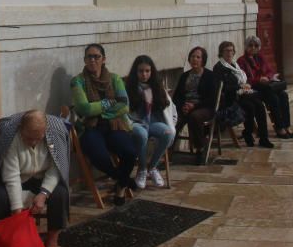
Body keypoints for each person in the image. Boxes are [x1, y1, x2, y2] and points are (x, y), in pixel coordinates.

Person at [0, 110, 69, 247]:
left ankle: (52, 242)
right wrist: (17, 212)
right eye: (28, 138)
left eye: (38, 138)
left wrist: (44, 193)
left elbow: (56, 168)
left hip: (41, 178)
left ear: (44, 131)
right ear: (21, 129)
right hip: (17, 177)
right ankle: (7, 241)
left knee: (60, 192)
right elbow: (11, 176)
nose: (33, 143)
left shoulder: (53, 135)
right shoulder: (11, 137)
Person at [70, 44, 136, 204]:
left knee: (130, 151)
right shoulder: (77, 81)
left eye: (96, 56)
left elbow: (124, 105)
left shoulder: (115, 79)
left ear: (104, 59)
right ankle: (122, 178)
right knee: (98, 155)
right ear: (85, 60)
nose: (92, 60)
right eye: (89, 57)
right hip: (90, 127)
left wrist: (100, 110)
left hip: (113, 125)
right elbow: (84, 108)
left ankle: (120, 187)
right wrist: (109, 103)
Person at [124, 55, 175, 188]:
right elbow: (126, 110)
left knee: (168, 133)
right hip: (136, 121)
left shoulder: (157, 86)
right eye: (141, 71)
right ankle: (142, 169)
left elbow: (167, 106)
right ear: (136, 72)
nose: (144, 74)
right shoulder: (129, 87)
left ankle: (152, 167)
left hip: (152, 121)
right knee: (141, 134)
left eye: (147, 71)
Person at [214, 41, 272, 148]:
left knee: (259, 105)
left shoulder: (235, 65)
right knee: (249, 107)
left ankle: (264, 138)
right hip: (230, 99)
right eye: (226, 51)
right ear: (221, 52)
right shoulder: (219, 67)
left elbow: (243, 80)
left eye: (231, 50)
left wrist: (246, 85)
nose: (229, 53)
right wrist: (240, 87)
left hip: (242, 94)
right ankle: (248, 134)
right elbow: (223, 88)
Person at [237, 37, 293, 139]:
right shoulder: (241, 61)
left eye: (256, 46)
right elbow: (244, 79)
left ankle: (286, 125)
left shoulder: (260, 57)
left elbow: (269, 71)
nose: (253, 48)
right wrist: (259, 79)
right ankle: (279, 127)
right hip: (254, 89)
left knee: (283, 95)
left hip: (266, 87)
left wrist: (267, 77)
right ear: (246, 47)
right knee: (274, 98)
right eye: (250, 45)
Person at [171, 46, 217, 165]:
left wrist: (194, 106)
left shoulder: (210, 76)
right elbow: (176, 97)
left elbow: (212, 99)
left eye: (198, 57)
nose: (195, 59)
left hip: (203, 107)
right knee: (173, 119)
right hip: (185, 107)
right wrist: (183, 106)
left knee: (194, 117)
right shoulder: (184, 76)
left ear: (203, 60)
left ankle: (200, 149)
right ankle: (168, 149)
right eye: (192, 57)